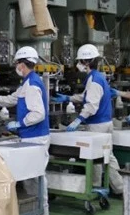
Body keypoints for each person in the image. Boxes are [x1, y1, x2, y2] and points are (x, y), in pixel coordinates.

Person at [0, 46, 51, 215]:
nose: (16, 67)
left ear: (22, 65)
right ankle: (35, 209)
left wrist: (20, 123)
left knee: (36, 174)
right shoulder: (28, 82)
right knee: (30, 174)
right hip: (31, 135)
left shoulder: (32, 85)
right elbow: (12, 99)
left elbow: (38, 114)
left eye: (17, 64)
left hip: (36, 136)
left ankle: (42, 210)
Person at [51, 43, 123, 195]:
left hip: (97, 125)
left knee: (95, 157)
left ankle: (95, 187)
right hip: (105, 122)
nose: (78, 65)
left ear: (86, 62)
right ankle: (120, 188)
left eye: (79, 61)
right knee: (108, 156)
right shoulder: (97, 77)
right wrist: (68, 98)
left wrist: (78, 120)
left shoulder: (94, 80)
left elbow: (91, 105)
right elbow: (86, 96)